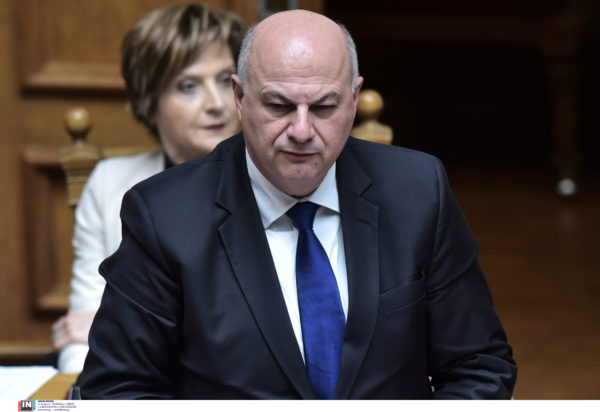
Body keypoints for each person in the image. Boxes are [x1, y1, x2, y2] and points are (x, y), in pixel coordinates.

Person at [79, 9, 517, 399]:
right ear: (239, 97)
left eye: (324, 107)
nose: (302, 131)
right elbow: (117, 390)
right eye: (279, 105)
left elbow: (478, 365)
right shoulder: (163, 216)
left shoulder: (418, 190)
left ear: (353, 98)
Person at [50, 3, 244, 373]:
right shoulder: (109, 184)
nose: (217, 104)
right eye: (188, 86)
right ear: (149, 100)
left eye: (225, 80)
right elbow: (79, 338)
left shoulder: (278, 179)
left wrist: (117, 333)